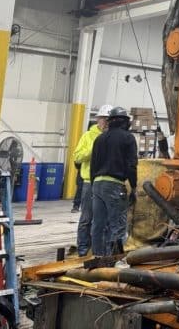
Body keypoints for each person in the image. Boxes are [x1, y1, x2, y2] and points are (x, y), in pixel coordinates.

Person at [90, 106, 138, 256]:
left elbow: (93, 165)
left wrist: (94, 185)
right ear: (125, 122)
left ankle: (97, 256)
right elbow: (131, 165)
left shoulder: (99, 138)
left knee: (98, 224)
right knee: (117, 224)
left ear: (110, 121)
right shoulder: (128, 138)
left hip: (97, 184)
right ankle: (115, 258)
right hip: (114, 185)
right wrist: (134, 187)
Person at [73, 104, 113, 257]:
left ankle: (101, 249)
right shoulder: (88, 136)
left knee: (104, 220)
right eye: (104, 119)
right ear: (98, 119)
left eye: (109, 120)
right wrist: (94, 148)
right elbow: (77, 156)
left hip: (106, 182)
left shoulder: (113, 137)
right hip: (90, 183)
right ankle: (83, 249)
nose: (106, 123)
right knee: (86, 218)